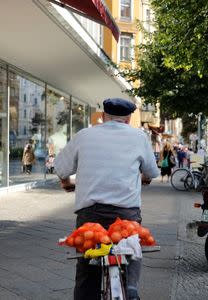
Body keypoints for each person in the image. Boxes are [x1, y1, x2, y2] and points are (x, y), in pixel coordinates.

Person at [54, 98, 160, 300]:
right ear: (128, 119)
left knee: (86, 268)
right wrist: (144, 177)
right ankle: (131, 287)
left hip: (91, 214)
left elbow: (61, 167)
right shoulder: (139, 137)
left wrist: (67, 182)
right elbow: (152, 172)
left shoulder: (84, 135)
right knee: (132, 248)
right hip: (126, 214)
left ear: (103, 117)